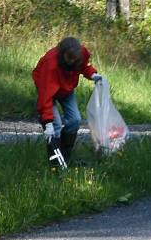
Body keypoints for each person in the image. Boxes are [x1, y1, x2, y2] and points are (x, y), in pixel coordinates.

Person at [33, 36, 103, 167]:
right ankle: (55, 163)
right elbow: (45, 96)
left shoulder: (79, 54)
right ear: (62, 53)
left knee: (75, 120)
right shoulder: (51, 65)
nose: (71, 62)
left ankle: (65, 157)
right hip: (47, 86)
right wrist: (47, 122)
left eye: (74, 59)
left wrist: (92, 74)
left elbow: (84, 67)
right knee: (55, 125)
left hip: (66, 88)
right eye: (68, 58)